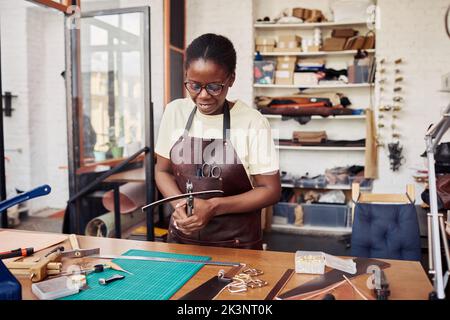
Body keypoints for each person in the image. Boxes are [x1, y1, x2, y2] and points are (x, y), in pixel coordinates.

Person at [155, 33, 280, 249]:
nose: (203, 95)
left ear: (231, 79)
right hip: (182, 240)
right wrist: (181, 205)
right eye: (194, 85)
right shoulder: (175, 111)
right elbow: (162, 171)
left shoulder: (253, 122)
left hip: (237, 244)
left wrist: (213, 206)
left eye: (214, 87)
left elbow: (270, 189)